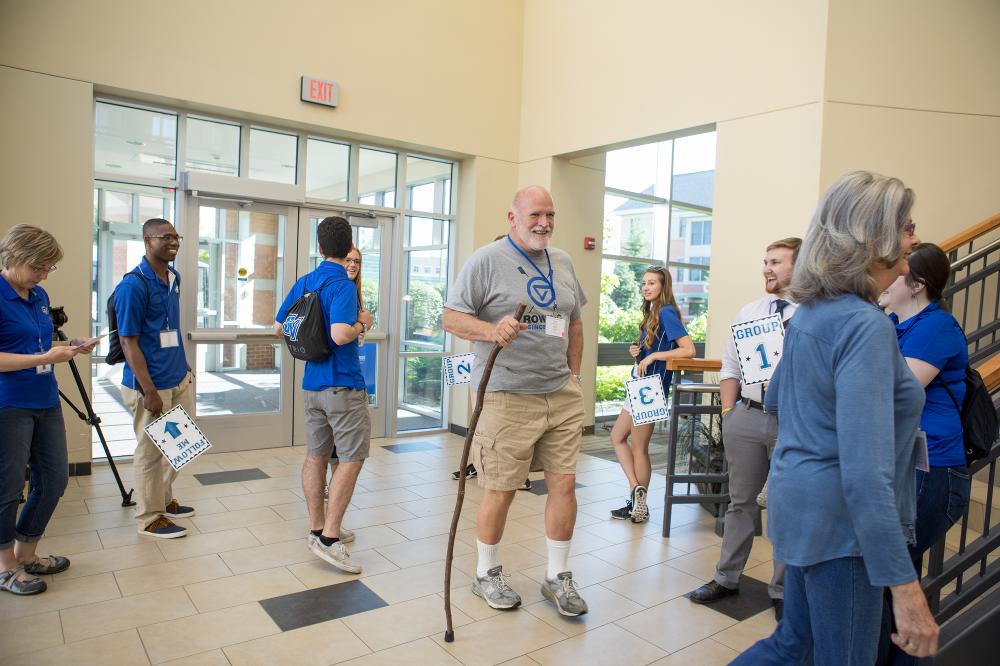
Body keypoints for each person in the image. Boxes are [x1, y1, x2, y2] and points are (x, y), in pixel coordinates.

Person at [732, 171, 937, 664]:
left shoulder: (812, 312)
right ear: (874, 236)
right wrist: (906, 590)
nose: (914, 239)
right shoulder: (865, 325)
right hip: (842, 527)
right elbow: (866, 475)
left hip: (800, 505)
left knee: (792, 645)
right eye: (906, 227)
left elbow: (777, 399)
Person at [443, 186, 589, 616]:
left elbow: (574, 322)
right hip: (506, 394)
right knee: (502, 488)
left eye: (550, 214)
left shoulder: (562, 261)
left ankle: (557, 576)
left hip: (560, 393)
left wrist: (574, 375)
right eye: (535, 215)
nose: (544, 223)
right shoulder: (486, 260)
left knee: (564, 484)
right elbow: (451, 317)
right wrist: (491, 331)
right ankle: (486, 574)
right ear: (512, 218)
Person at [686, 237, 800, 620]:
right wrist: (729, 412)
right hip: (747, 416)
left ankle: (783, 591)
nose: (767, 268)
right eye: (765, 261)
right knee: (739, 503)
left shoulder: (815, 314)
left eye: (776, 262)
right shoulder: (751, 311)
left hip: (793, 421)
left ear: (801, 266)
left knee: (784, 507)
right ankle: (726, 578)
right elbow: (731, 366)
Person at [877, 242, 969, 665]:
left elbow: (898, 392)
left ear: (916, 285)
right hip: (901, 464)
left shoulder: (937, 327)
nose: (885, 278)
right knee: (894, 581)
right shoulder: (892, 324)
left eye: (896, 271)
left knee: (894, 576)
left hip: (934, 471)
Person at [0, 225, 96, 595]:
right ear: (14, 257)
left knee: (54, 480)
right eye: (38, 267)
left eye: (48, 268)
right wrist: (44, 357)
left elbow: (37, 341)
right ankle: (5, 566)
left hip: (45, 400)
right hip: (10, 404)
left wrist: (70, 344)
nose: (43, 275)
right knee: (8, 488)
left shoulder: (38, 294)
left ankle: (26, 553)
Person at [275, 216, 372, 574]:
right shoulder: (342, 284)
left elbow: (279, 327)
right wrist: (363, 323)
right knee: (352, 459)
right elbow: (341, 334)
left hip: (312, 385)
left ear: (319, 247)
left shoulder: (305, 281)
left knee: (316, 457)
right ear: (348, 248)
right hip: (342, 386)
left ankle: (318, 529)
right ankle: (330, 539)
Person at [116, 218, 196, 539]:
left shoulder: (173, 277)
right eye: (166, 237)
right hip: (150, 385)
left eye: (176, 236)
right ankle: (149, 517)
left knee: (181, 445)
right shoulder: (133, 285)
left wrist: (185, 367)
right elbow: (128, 341)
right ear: (148, 241)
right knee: (150, 452)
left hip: (177, 377)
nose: (173, 242)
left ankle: (162, 498)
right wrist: (148, 390)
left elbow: (170, 328)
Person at [608, 266, 694, 523]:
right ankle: (636, 491)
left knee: (639, 448)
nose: (646, 287)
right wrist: (639, 352)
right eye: (644, 283)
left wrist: (655, 355)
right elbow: (655, 348)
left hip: (651, 389)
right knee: (618, 437)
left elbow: (688, 349)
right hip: (640, 386)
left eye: (652, 283)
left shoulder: (666, 311)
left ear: (663, 286)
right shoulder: (653, 313)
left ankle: (639, 503)